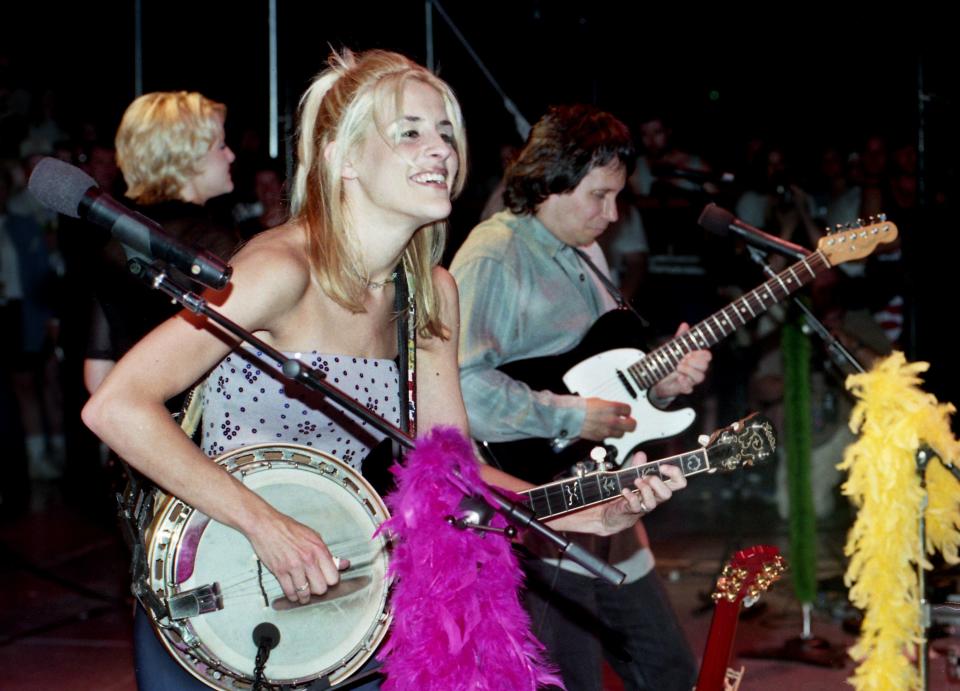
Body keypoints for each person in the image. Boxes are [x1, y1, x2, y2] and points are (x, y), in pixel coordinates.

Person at [82, 51, 685, 690]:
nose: (439, 151)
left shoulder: (432, 292)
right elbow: (116, 405)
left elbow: (450, 469)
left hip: (342, 603)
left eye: (446, 133)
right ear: (344, 157)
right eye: (410, 132)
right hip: (223, 595)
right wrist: (263, 521)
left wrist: (571, 514)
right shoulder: (281, 270)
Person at [451, 104, 711, 691]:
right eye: (599, 195)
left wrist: (659, 382)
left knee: (669, 671)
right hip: (540, 513)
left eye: (617, 197)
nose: (611, 213)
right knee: (569, 680)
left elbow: (600, 373)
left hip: (609, 506)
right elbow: (464, 387)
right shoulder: (494, 255)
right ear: (551, 180)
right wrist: (571, 417)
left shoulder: (585, 254)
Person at [83, 91, 240, 395]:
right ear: (187, 157)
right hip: (203, 431)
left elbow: (98, 370)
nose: (231, 155)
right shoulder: (213, 241)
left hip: (141, 423)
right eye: (220, 145)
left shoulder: (116, 241)